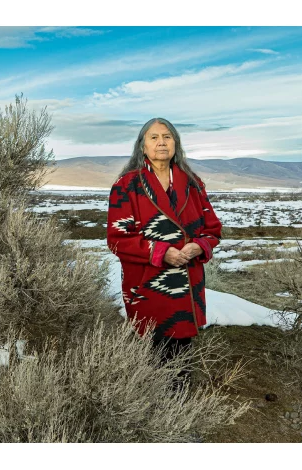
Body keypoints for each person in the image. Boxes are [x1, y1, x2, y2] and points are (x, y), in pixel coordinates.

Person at [107, 117, 222, 391]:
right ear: (142, 146)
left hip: (187, 283)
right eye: (154, 137)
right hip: (147, 285)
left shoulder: (192, 183)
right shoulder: (127, 185)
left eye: (167, 137)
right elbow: (117, 239)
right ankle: (150, 411)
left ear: (176, 144)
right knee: (153, 349)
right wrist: (161, 252)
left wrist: (199, 246)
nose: (162, 142)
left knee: (181, 351)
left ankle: (177, 414)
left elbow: (212, 230)